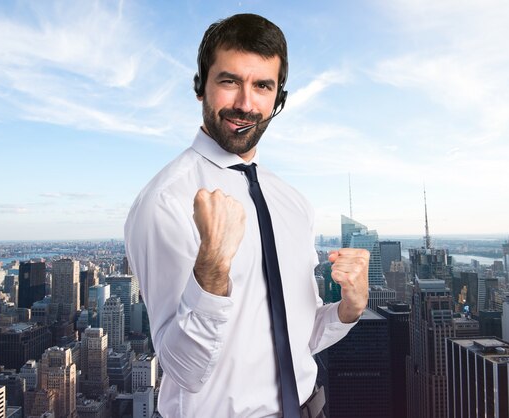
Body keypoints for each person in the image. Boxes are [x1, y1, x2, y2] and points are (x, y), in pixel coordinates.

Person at [124, 13, 369, 418]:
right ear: (200, 87)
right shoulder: (165, 201)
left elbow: (295, 337)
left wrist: (348, 311)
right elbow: (181, 370)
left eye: (262, 86)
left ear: (279, 100)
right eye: (229, 81)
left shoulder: (292, 202)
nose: (244, 103)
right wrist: (212, 269)